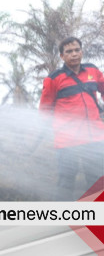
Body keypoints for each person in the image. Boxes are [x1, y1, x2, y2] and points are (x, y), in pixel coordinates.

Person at [39, 36, 104, 201]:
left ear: (81, 52)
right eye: (69, 51)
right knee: (66, 182)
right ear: (62, 56)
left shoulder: (93, 71)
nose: (74, 54)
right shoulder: (54, 79)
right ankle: (60, 221)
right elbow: (45, 109)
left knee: (97, 181)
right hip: (67, 141)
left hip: (95, 138)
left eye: (77, 50)